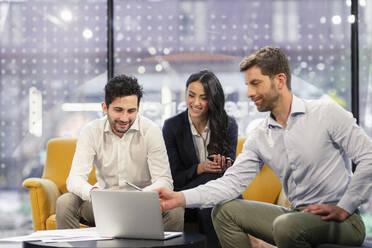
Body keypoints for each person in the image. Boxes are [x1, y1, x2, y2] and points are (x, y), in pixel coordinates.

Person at [155, 46, 372, 248]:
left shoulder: (326, 113)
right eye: (248, 85)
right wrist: (179, 198)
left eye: (255, 83)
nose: (249, 93)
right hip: (295, 215)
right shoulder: (260, 135)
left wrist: (345, 207)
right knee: (224, 211)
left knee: (286, 225)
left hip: (343, 220)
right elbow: (230, 184)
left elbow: (368, 156)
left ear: (280, 80)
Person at [56, 74, 184, 231]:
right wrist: (95, 193)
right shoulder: (90, 131)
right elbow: (74, 179)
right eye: (118, 110)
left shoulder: (151, 131)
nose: (125, 118)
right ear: (105, 107)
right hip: (103, 204)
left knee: (175, 210)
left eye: (131, 111)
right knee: (65, 202)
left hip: (142, 204)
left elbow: (164, 180)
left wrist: (139, 197)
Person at [162, 70, 238, 247]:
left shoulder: (228, 124)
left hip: (220, 194)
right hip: (185, 197)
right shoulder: (172, 126)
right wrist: (201, 168)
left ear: (212, 100)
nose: (195, 103)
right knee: (211, 201)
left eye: (203, 98)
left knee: (211, 203)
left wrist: (224, 167)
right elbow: (174, 177)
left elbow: (231, 175)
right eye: (191, 95)